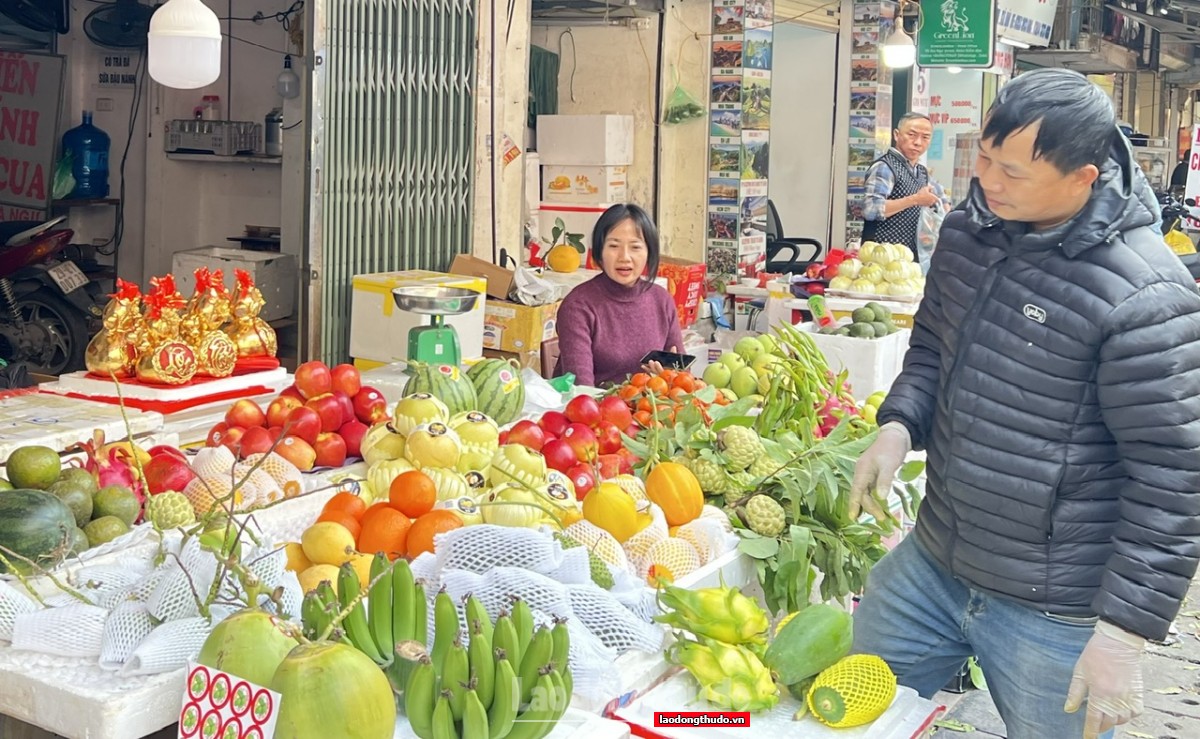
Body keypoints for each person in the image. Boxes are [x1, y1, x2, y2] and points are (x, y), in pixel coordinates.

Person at [849, 68, 1200, 739]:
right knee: (853, 714)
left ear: (1083, 178)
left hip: (1054, 607)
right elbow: (931, 345)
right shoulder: (968, 232)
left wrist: (1125, 632)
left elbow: (1173, 479)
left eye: (1013, 170)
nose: (989, 180)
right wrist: (898, 424)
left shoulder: (1147, 295)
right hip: (934, 560)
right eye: (983, 157)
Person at [554, 204, 683, 387]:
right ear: (599, 252)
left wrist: (667, 380)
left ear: (649, 252)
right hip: (595, 410)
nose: (624, 257)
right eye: (614, 246)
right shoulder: (578, 306)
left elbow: (682, 377)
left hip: (650, 409)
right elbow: (581, 390)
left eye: (635, 247)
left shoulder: (661, 300)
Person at [862, 112, 953, 256]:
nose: (918, 142)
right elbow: (871, 209)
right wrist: (915, 200)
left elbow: (941, 199)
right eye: (912, 135)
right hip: (882, 259)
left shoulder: (921, 171)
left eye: (925, 137)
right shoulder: (884, 167)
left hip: (910, 260)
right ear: (896, 135)